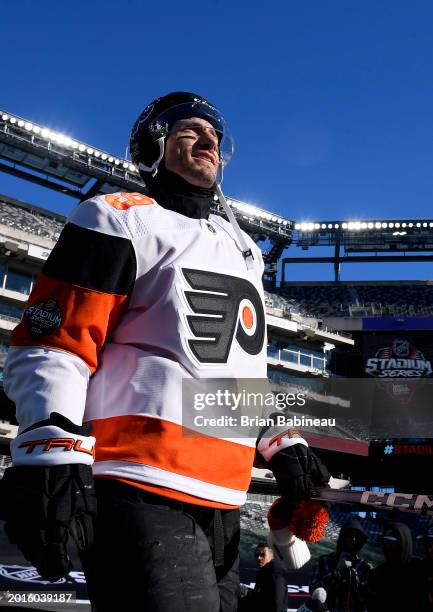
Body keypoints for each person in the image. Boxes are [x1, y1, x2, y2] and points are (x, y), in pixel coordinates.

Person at [0, 91, 330, 612]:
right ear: (154, 146)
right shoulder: (117, 217)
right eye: (188, 131)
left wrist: (277, 438)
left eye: (215, 135)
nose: (208, 141)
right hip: (139, 481)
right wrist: (49, 440)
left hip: (225, 493)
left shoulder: (241, 247)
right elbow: (55, 340)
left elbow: (236, 367)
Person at [309, 518, 371, 612]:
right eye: (349, 536)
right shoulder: (323, 560)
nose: (353, 540)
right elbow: (313, 590)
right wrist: (336, 574)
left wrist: (357, 585)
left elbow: (368, 601)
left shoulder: (364, 566)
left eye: (356, 537)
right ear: (342, 537)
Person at [368, 521, 421, 611]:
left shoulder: (419, 571)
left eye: (393, 543)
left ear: (404, 542)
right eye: (386, 543)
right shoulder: (378, 573)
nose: (388, 547)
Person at [240, 543, 288, 612]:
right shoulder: (264, 573)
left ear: (271, 556)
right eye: (257, 555)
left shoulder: (275, 575)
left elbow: (277, 606)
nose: (259, 558)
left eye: (262, 555)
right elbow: (262, 598)